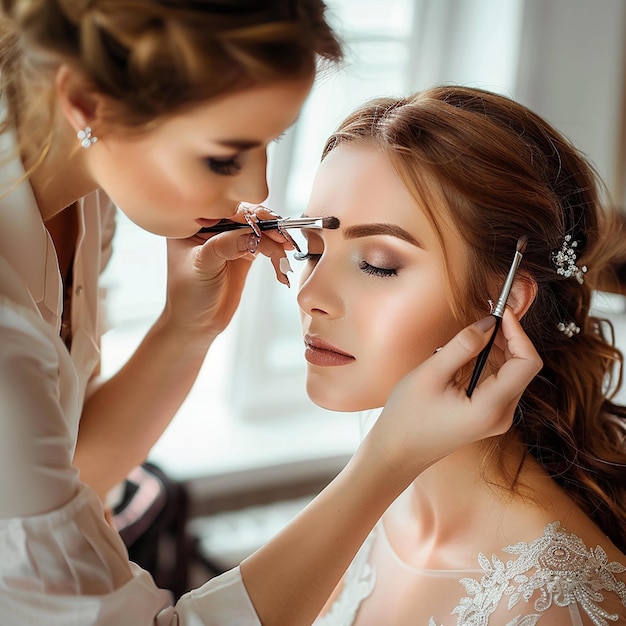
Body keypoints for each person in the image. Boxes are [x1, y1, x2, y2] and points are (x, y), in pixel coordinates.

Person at [0, 3, 542, 625]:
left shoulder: (84, 197)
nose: (256, 192)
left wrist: (186, 328)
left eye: (378, 264)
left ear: (506, 298)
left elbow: (58, 479)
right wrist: (386, 459)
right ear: (88, 105)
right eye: (224, 156)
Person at [292, 86, 626, 625]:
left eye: (378, 263)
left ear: (504, 303)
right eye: (311, 250)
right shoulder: (364, 511)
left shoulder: (559, 604)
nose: (309, 296)